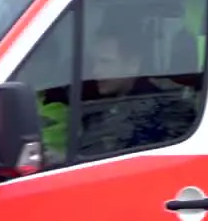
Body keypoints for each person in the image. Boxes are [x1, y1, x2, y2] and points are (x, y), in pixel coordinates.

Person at [77, 27, 198, 158]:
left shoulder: (151, 111)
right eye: (95, 62)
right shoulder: (108, 103)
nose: (95, 71)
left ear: (133, 64)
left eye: (105, 62)